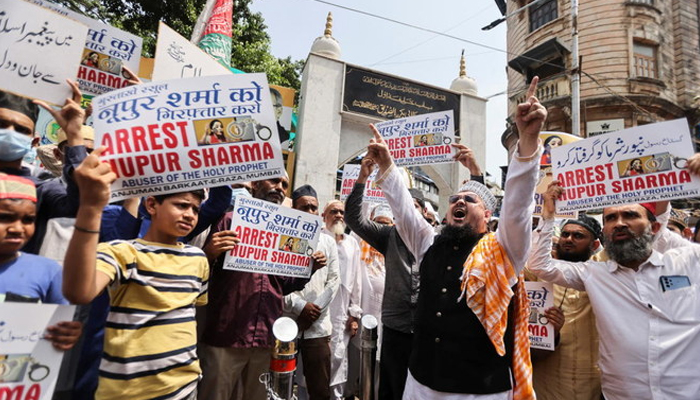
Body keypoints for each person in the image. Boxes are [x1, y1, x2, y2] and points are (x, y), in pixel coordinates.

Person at [364, 77, 546, 399]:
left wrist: (527, 143)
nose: (459, 201)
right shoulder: (428, 243)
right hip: (420, 381)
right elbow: (405, 210)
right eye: (454, 199)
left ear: (488, 215)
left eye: (470, 199)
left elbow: (518, 206)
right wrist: (388, 166)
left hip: (479, 389)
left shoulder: (504, 251)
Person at [62, 149, 210, 400]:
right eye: (181, 205)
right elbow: (80, 292)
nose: (189, 215)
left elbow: (192, 313)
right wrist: (90, 208)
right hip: (127, 392)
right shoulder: (122, 252)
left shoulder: (198, 259)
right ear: (151, 204)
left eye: (195, 209)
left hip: (185, 388)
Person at [529, 183, 700, 398]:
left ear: (655, 229)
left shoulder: (688, 263)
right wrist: (548, 216)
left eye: (629, 215)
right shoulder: (595, 274)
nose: (619, 223)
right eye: (610, 218)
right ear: (605, 233)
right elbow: (540, 265)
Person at [198, 176, 326, 400]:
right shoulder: (229, 221)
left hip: (265, 337)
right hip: (227, 334)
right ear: (255, 185)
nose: (279, 188)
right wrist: (209, 253)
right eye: (274, 181)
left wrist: (309, 269)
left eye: (284, 185)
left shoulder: (287, 235)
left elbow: (284, 285)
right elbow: (201, 274)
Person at [527, 187, 603, 400]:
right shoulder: (539, 271)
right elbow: (524, 254)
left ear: (595, 244)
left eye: (578, 236)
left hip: (588, 379)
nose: (569, 239)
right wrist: (548, 214)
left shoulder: (602, 272)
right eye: (566, 234)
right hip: (543, 379)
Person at [0, 173, 82, 349]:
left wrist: (67, 334)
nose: (17, 228)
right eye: (5, 218)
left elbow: (59, 325)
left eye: (28, 220)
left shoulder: (48, 271)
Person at [283, 184, 340, 400]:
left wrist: (314, 310)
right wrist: (300, 307)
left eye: (313, 208)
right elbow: (275, 282)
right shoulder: (282, 240)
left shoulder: (327, 242)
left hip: (318, 326)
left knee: (319, 389)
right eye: (304, 208)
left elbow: (334, 280)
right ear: (293, 210)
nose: (309, 213)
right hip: (287, 323)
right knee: (280, 384)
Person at [323, 199, 363, 400]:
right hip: (318, 312)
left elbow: (356, 281)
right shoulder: (318, 239)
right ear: (324, 216)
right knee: (314, 361)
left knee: (339, 358)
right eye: (333, 211)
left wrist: (354, 314)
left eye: (341, 212)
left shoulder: (352, 243)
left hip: (341, 313)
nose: (338, 215)